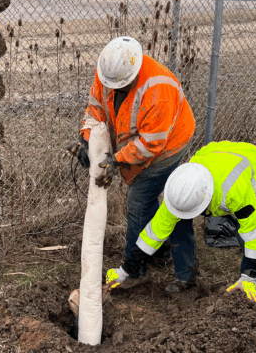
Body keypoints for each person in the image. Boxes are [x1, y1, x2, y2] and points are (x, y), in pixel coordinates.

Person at [67, 36, 195, 288]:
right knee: (147, 204)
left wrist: (115, 161)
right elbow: (95, 108)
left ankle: (136, 269)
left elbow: (151, 144)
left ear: (133, 75)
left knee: (140, 201)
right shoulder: (110, 71)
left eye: (121, 86)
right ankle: (158, 247)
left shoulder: (158, 90)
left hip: (168, 146)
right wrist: (85, 138)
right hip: (145, 142)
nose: (114, 89)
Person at [106, 141, 256, 305]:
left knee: (245, 233)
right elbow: (153, 234)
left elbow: (254, 232)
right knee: (177, 223)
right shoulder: (180, 190)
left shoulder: (236, 192)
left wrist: (248, 275)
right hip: (215, 155)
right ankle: (186, 279)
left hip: (253, 162)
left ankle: (253, 281)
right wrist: (124, 270)